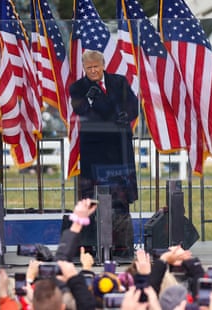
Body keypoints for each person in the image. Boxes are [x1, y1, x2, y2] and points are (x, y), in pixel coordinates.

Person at [69, 49, 139, 257]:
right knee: (91, 199)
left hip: (119, 150)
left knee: (121, 198)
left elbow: (133, 106)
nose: (92, 71)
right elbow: (81, 111)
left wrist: (122, 114)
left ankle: (122, 246)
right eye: (88, 68)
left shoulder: (119, 82)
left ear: (103, 65)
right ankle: (90, 246)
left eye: (95, 67)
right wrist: (100, 105)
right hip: (95, 154)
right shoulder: (78, 88)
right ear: (84, 68)